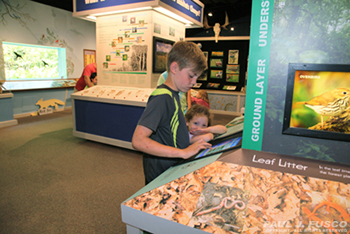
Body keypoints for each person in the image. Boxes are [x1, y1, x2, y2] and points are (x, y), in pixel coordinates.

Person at [132, 41, 211, 184]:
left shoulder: (174, 94)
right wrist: (183, 152)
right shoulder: (162, 98)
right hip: (160, 175)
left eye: (197, 77)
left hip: (171, 170)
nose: (194, 82)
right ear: (174, 67)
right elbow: (138, 140)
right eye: (191, 75)